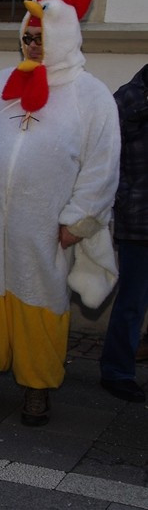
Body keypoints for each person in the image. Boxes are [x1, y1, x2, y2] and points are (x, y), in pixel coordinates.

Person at [0, 0, 120, 426]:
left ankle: (37, 386)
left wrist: (77, 221)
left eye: (41, 37)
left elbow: (102, 167)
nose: (32, 44)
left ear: (63, 35)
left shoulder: (91, 96)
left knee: (41, 300)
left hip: (43, 227)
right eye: (27, 36)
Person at [98, 63, 148, 403]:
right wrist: (123, 200)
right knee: (132, 301)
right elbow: (106, 161)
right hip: (140, 220)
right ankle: (117, 371)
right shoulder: (127, 98)